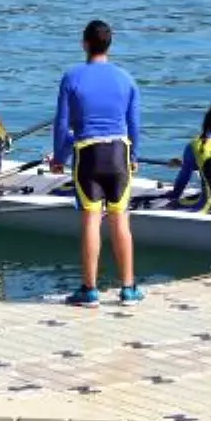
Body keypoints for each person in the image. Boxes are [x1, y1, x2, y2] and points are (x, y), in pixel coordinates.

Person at [50, 20, 144, 307]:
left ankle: (89, 290)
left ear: (84, 43)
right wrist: (134, 156)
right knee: (121, 221)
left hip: (88, 154)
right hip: (120, 154)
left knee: (91, 220)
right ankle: (128, 289)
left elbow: (63, 124)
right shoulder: (126, 78)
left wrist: (59, 158)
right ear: (109, 44)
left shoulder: (72, 77)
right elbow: (134, 124)